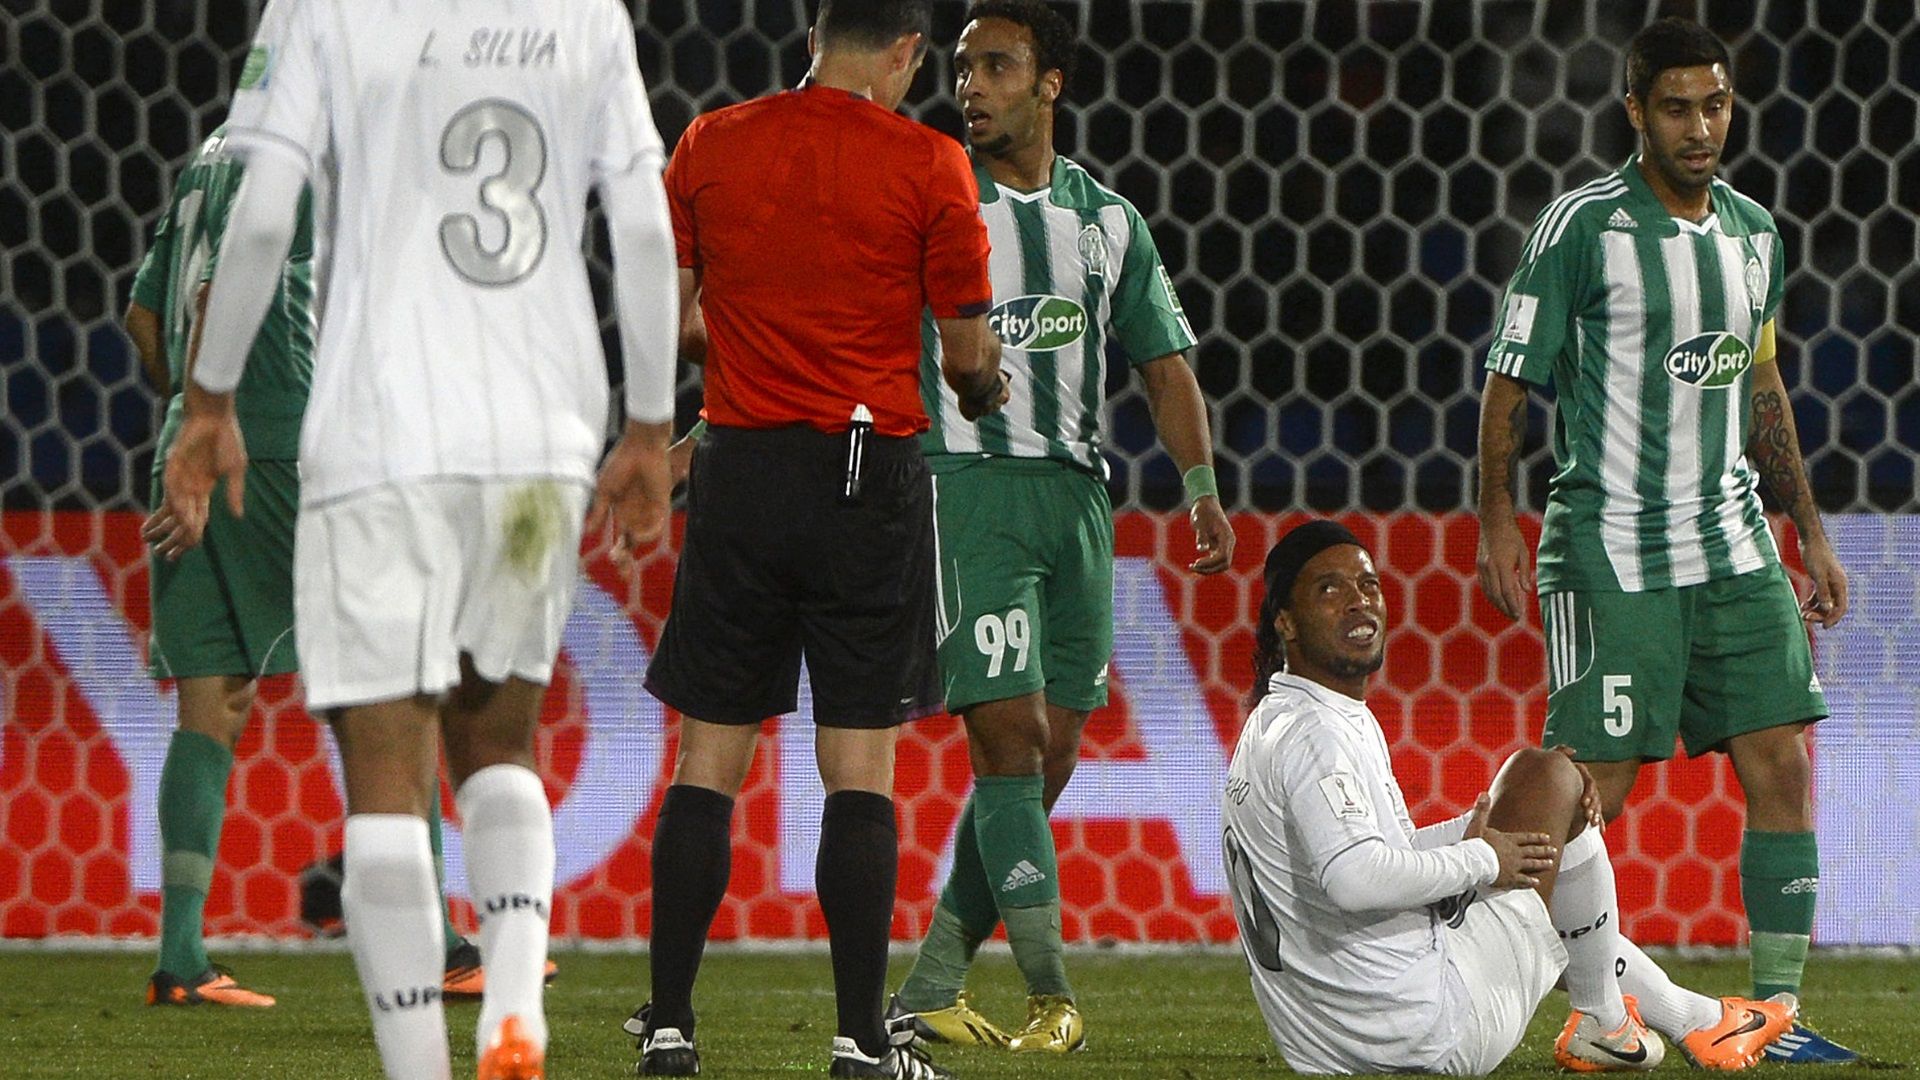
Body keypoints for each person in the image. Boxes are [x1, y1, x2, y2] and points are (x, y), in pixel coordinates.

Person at [158, 0, 680, 1075]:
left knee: (387, 776)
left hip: (380, 435)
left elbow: (260, 217)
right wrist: (647, 425)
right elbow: (640, 219)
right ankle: (512, 1004)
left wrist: (208, 404)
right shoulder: (587, 14)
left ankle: (418, 1065)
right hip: (540, 440)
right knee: (501, 747)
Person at [622, 2, 1006, 1077]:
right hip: (863, 477)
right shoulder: (930, 163)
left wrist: (752, 331)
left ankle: (667, 1026)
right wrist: (985, 380)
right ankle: (854, 1043)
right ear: (905, 53)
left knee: (707, 759)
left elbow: (673, 316)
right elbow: (970, 353)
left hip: (740, 470)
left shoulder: (712, 143)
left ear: (810, 39)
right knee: (859, 769)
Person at [1475, 17, 1855, 1064]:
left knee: (1781, 762)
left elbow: (1762, 381)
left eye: (1717, 104)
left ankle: (1771, 1016)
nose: (1701, 127)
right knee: (1588, 790)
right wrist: (1502, 521)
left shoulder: (1753, 233)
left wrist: (1808, 534)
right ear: (1634, 110)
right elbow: (1509, 381)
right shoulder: (1581, 229)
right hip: (1611, 547)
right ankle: (1587, 1017)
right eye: (1678, 107)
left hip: (1733, 544)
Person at [128, 127, 547, 1012]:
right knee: (395, 684)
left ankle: (181, 960)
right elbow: (218, 287)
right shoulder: (305, 145)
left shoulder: (208, 149)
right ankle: (435, 945)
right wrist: (234, 419)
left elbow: (145, 316)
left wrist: (190, 425)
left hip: (191, 443)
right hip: (279, 450)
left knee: (213, 701)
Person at [884, 0, 1234, 1055]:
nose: (971, 87)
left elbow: (1164, 366)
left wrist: (1203, 486)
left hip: (1081, 501)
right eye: (961, 69)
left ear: (1051, 84)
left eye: (997, 67)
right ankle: (1053, 995)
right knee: (1009, 739)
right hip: (970, 487)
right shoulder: (932, 201)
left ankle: (932, 982)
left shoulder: (1108, 220)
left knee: (1053, 756)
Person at [1225, 520, 1794, 1075]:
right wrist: (1485, 857)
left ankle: (1687, 1017)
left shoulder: (1278, 721)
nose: (1358, 602)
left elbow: (1366, 856)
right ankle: (1607, 1020)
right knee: (1547, 775)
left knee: (1537, 797)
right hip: (1426, 1031)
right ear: (1286, 624)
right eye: (1330, 590)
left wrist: (1466, 835)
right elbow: (1354, 880)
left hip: (1329, 1046)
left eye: (1368, 584)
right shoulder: (1317, 735)